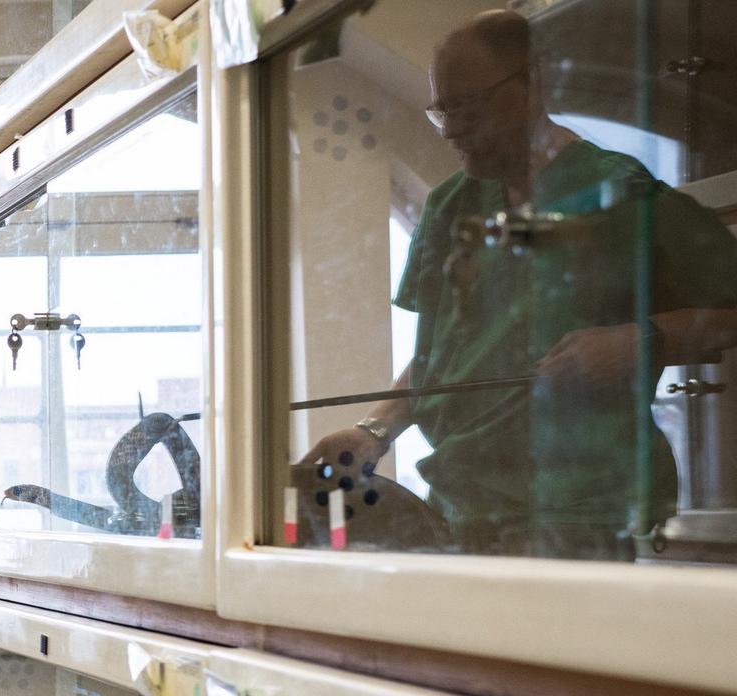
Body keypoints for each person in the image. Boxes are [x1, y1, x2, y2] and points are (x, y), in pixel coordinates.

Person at [299, 10, 737, 560]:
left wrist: (639, 339)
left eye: (467, 105)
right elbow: (440, 358)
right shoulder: (448, 206)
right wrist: (373, 433)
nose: (452, 128)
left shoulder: (619, 194)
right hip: (464, 511)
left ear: (535, 85)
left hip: (587, 517)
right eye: (442, 109)